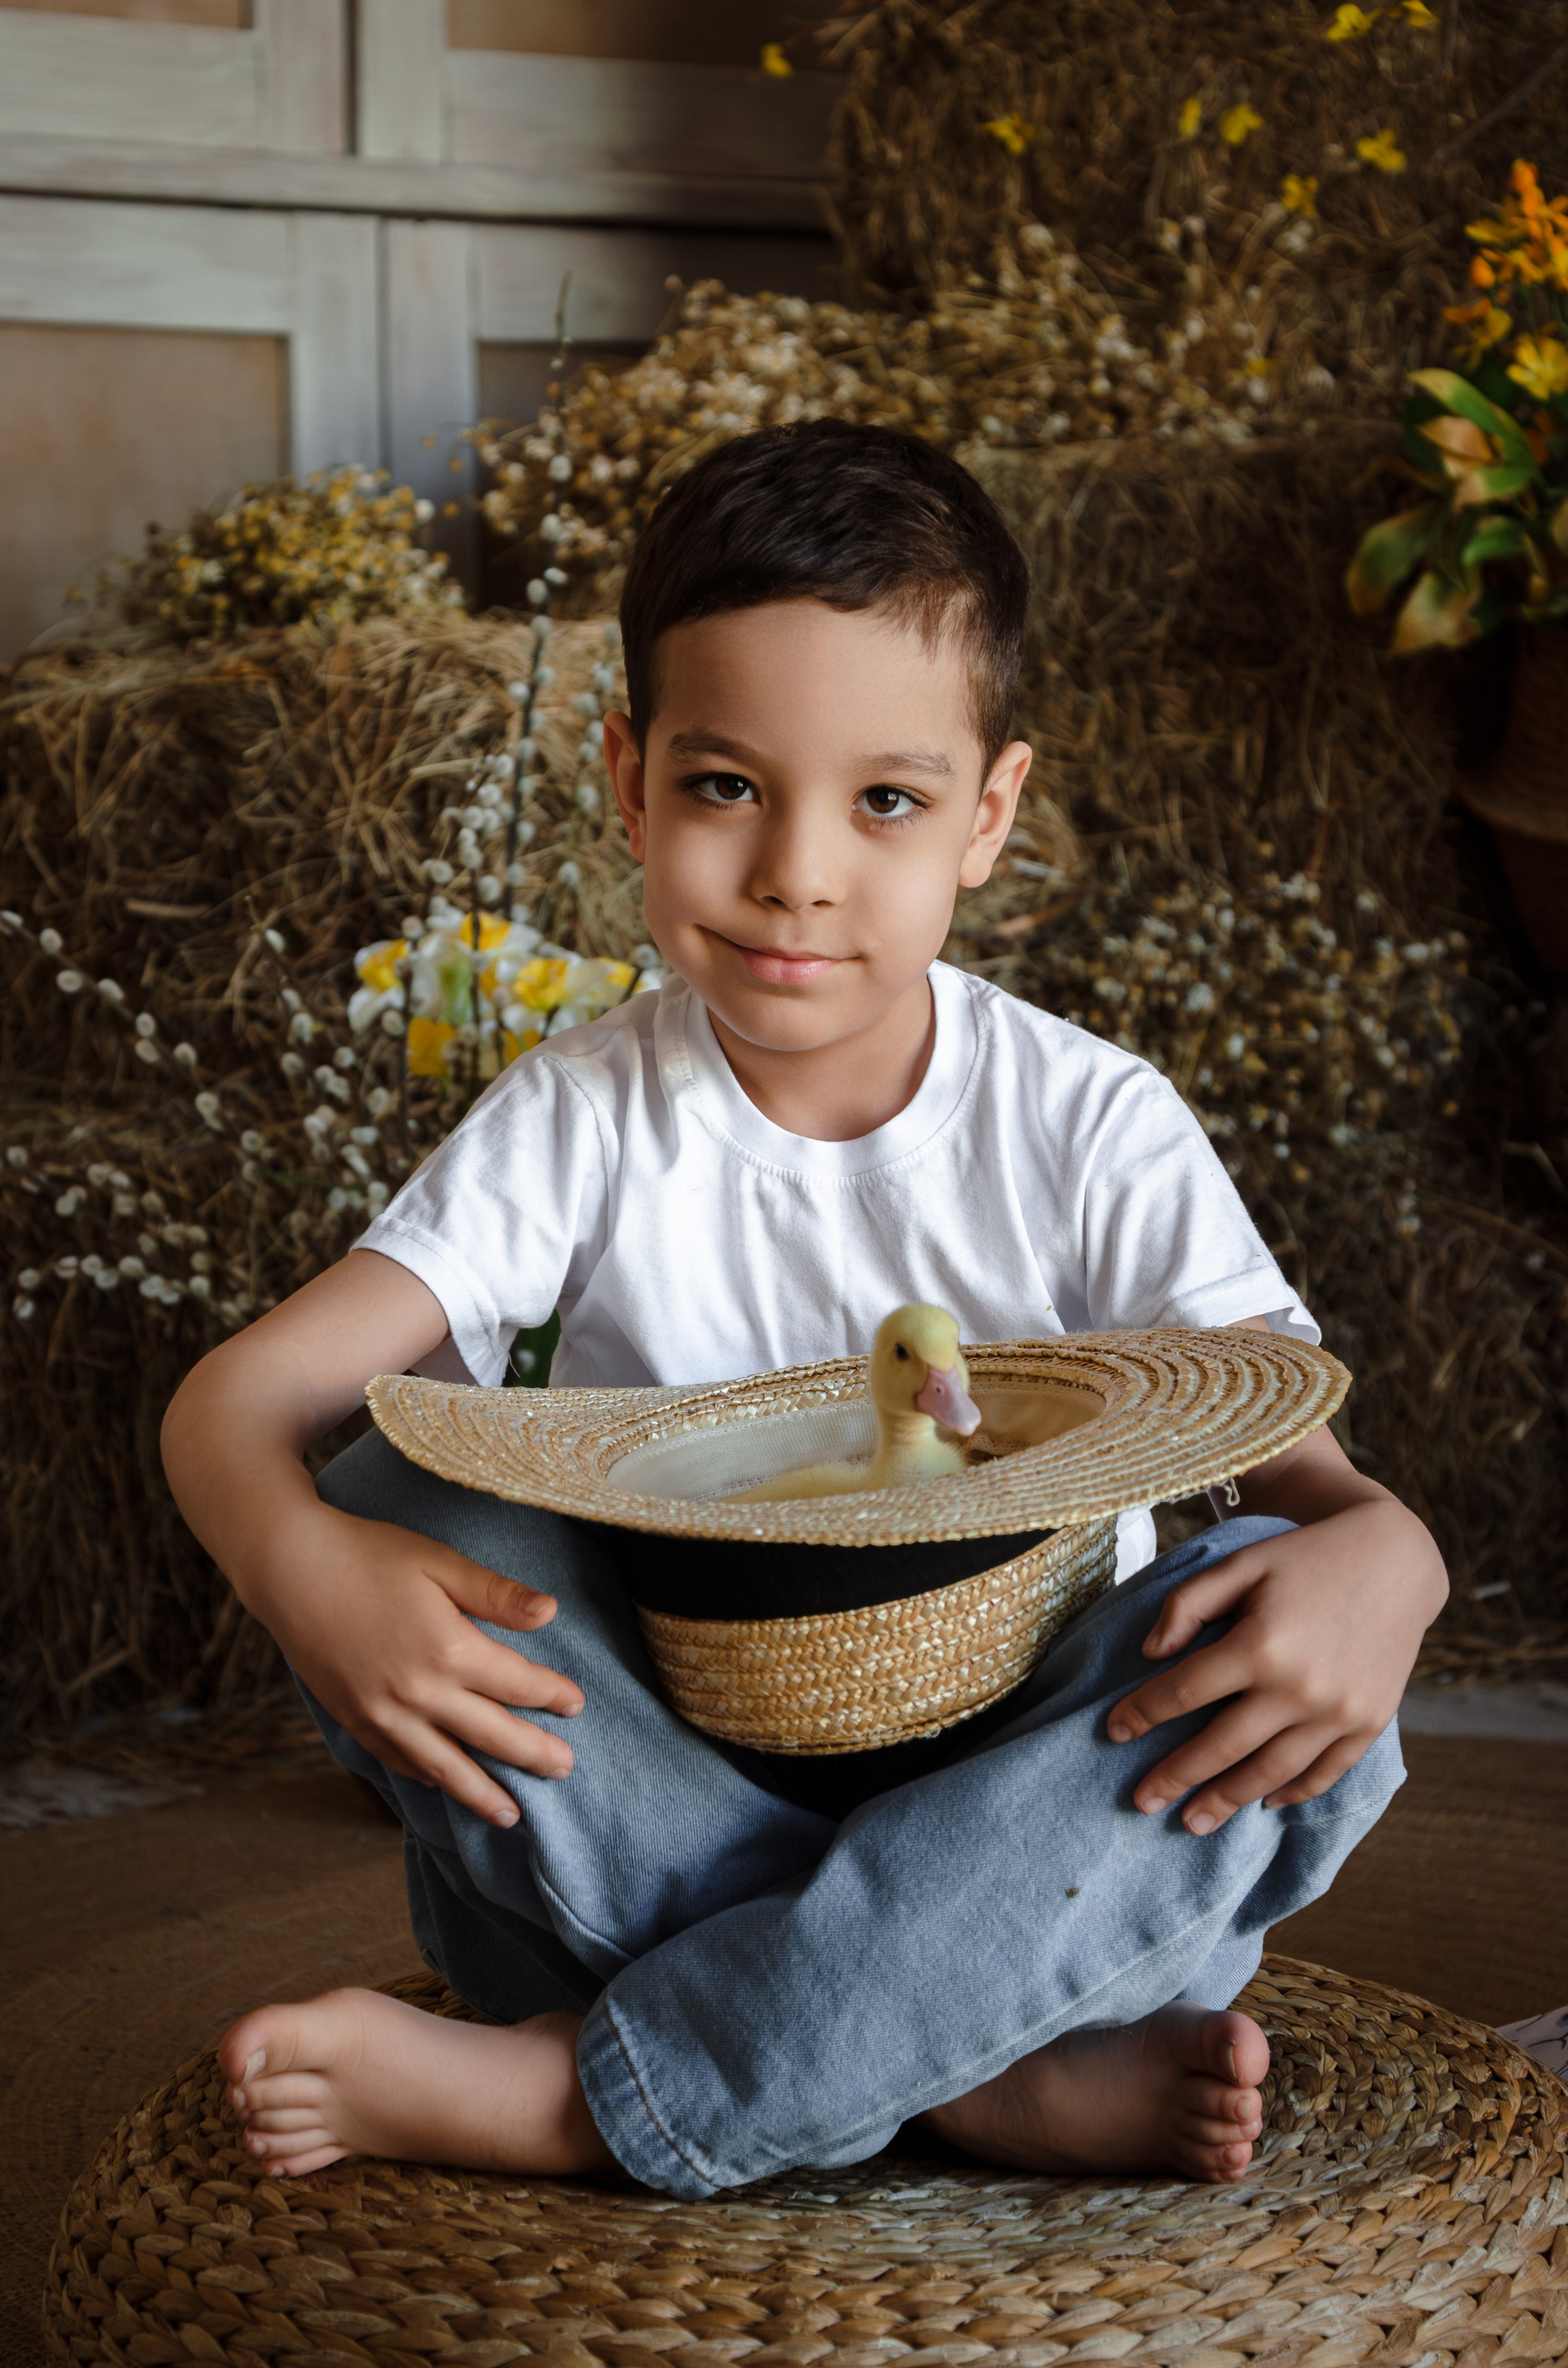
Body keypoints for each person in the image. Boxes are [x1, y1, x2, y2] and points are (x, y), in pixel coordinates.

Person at [162, 420, 1447, 2201]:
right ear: (627, 779)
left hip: (1020, 1817)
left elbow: (1318, 1492)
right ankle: (966, 2066)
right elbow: (232, 1409)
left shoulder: (1089, 1121)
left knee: (1305, 1669)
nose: (798, 871)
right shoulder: (584, 1117)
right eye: (724, 785)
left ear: (990, 814)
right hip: (657, 1801)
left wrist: (1399, 1557)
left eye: (886, 800)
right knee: (393, 1498)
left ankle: (594, 2096)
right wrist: (310, 1574)